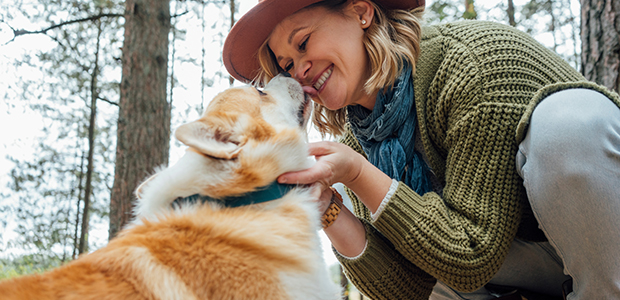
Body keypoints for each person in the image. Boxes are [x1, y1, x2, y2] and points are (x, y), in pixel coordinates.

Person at [222, 0, 620, 299]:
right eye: (287, 65)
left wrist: (361, 175)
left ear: (362, 12)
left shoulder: (470, 63)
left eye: (304, 42)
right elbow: (410, 290)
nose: (299, 70)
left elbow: (471, 253)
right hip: (529, 270)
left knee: (566, 123)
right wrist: (328, 208)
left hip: (598, 248)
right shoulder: (358, 143)